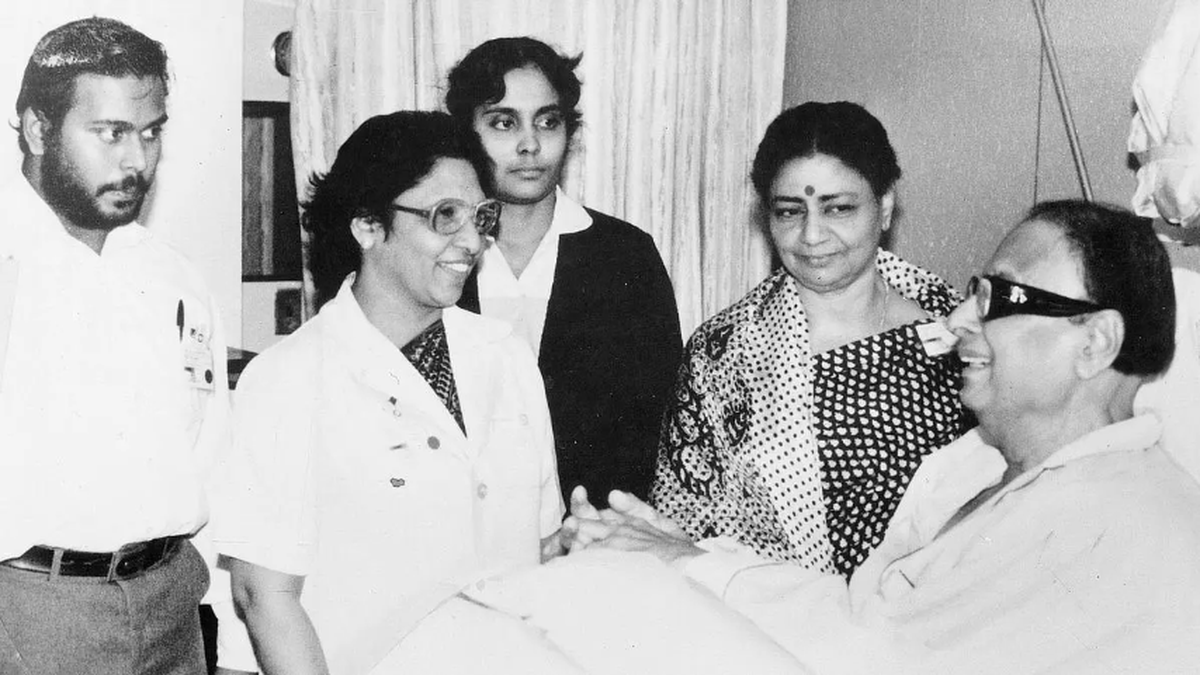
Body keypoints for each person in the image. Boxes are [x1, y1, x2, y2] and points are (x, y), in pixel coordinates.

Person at [537, 199, 1200, 673]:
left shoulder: (1119, 520)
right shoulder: (973, 465)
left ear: (1096, 343)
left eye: (998, 297)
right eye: (973, 290)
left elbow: (874, 652)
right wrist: (672, 549)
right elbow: (862, 607)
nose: (961, 316)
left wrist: (682, 564)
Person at [211, 111, 564, 675]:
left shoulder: (506, 354)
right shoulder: (291, 377)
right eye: (444, 216)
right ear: (368, 227)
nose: (472, 241)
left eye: (480, 217)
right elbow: (263, 596)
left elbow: (543, 546)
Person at [652, 101, 969, 577]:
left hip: (944, 609)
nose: (811, 235)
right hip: (782, 624)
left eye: (838, 208)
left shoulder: (956, 326)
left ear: (884, 207)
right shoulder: (724, 354)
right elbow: (683, 525)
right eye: (789, 212)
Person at [0, 17, 228, 675]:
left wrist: (189, 579)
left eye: (151, 132)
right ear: (39, 128)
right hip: (34, 613)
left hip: (171, 610)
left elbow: (210, 448)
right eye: (111, 134)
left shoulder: (173, 275)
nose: (138, 159)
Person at [445, 37, 682, 506]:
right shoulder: (439, 254)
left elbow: (658, 425)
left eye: (548, 122)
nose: (530, 144)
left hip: (592, 537)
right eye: (503, 122)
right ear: (466, 134)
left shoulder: (625, 256)